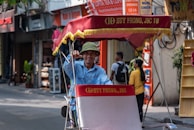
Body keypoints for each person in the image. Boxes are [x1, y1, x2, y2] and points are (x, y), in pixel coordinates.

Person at [63, 42, 112, 126]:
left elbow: (107, 83)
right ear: (82, 55)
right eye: (86, 54)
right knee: (79, 126)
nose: (89, 56)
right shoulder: (76, 66)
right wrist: (71, 57)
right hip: (76, 105)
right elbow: (66, 67)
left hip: (94, 105)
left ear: (96, 56)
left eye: (92, 54)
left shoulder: (100, 71)